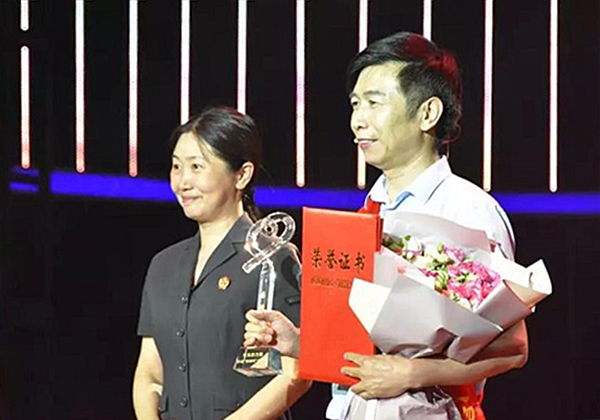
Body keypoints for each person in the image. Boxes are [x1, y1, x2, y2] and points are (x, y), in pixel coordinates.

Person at [244, 32, 528, 419]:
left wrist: (413, 373)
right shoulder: (370, 208)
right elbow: (365, 348)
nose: (358, 120)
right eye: (355, 104)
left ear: (428, 113)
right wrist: (299, 342)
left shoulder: (467, 211)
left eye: (374, 103)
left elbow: (513, 346)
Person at [133, 106, 311, 420]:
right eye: (176, 167)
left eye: (196, 167)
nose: (183, 181)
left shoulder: (274, 258)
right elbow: (150, 373)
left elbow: (296, 372)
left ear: (242, 175)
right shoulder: (164, 265)